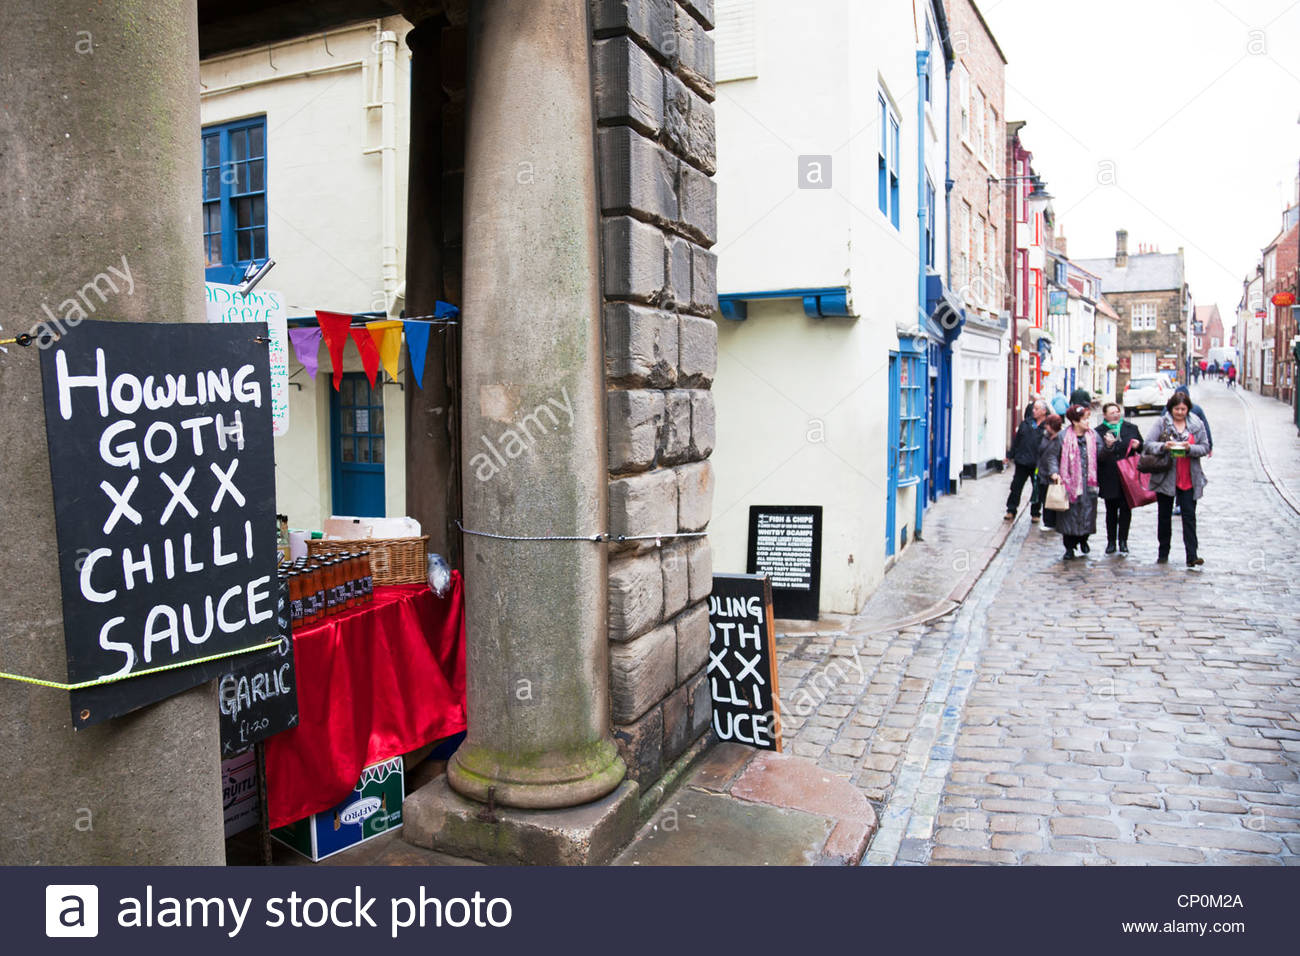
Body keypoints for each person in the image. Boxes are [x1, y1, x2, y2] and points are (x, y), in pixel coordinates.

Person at [1144, 392, 1209, 567]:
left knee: (1189, 516)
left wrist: (1190, 449)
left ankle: (1192, 555)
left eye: (1183, 409)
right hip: (1166, 476)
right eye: (1176, 409)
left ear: (1188, 409)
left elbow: (1205, 447)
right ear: (1170, 408)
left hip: (1188, 476)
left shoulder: (1196, 424)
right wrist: (1164, 446)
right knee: (1164, 517)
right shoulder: (1162, 423)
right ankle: (1163, 552)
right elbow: (1148, 444)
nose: (1180, 412)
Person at [1044, 404, 1100, 560]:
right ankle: (1069, 547)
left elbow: (1101, 455)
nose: (1088, 422)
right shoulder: (1063, 437)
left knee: (1088, 514)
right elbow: (1052, 456)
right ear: (1075, 422)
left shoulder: (1093, 436)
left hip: (1088, 484)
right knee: (1068, 515)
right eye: (1085, 419)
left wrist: (1108, 447)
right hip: (1069, 483)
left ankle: (1083, 540)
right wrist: (1054, 472)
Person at [1095, 402, 1142, 554]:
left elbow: (1143, 447)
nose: (1115, 414)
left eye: (1117, 411)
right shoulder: (1098, 431)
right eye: (1112, 412)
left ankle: (1123, 541)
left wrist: (1138, 446)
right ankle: (1111, 542)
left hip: (1127, 475)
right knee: (1111, 510)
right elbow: (1096, 455)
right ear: (1105, 415)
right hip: (1109, 475)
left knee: (1126, 509)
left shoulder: (1131, 428)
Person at [1005, 400, 1047, 520]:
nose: (1033, 411)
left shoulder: (1047, 426)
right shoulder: (1026, 424)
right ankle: (1011, 510)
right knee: (1016, 487)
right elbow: (1017, 441)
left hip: (1038, 464)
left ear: (1044, 411)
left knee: (1037, 489)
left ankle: (1035, 513)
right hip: (1022, 461)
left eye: (1036, 409)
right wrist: (1010, 455)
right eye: (1033, 408)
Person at [1034, 413, 1063, 530]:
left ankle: (1052, 522)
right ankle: (1048, 521)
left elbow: (1055, 457)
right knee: (1044, 497)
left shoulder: (1061, 439)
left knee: (1054, 497)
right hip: (1042, 471)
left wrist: (1055, 472)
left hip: (1054, 473)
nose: (1045, 427)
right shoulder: (1045, 437)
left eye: (1048, 424)